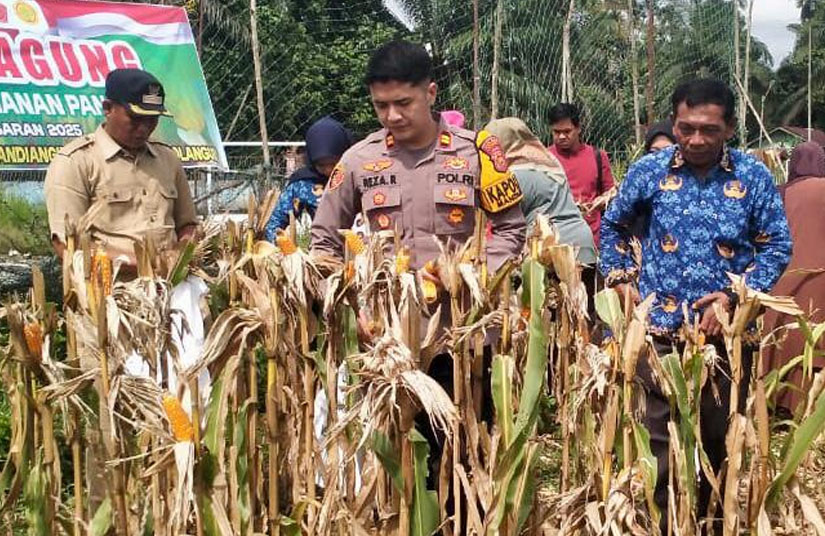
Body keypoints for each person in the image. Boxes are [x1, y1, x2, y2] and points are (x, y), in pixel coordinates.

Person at [600, 78, 792, 530]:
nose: (696, 140)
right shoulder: (649, 171)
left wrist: (735, 294)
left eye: (709, 130)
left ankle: (707, 521)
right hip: (659, 334)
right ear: (674, 122)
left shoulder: (753, 176)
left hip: (724, 340)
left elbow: (777, 245)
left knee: (715, 441)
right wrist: (622, 277)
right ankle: (662, 522)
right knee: (659, 442)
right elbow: (613, 227)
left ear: (729, 128)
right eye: (686, 128)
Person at [311, 39, 525, 276]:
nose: (392, 116)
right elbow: (323, 241)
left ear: (431, 93)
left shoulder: (478, 152)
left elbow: (511, 229)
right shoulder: (357, 160)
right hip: (385, 309)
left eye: (403, 103)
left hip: (462, 309)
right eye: (381, 106)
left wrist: (474, 274)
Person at [45, 68, 198, 265]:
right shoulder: (75, 162)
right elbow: (66, 244)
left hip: (171, 284)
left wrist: (182, 254)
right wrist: (142, 266)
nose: (144, 128)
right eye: (135, 118)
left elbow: (188, 225)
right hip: (110, 290)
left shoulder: (167, 159)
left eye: (152, 119)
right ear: (108, 108)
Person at [762, 141, 825, 415]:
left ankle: (780, 403)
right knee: (816, 338)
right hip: (821, 277)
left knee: (785, 339)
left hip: (785, 278)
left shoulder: (780, 193)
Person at [484, 117, 596, 265]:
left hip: (549, 252)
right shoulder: (550, 162)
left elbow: (503, 228)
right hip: (582, 242)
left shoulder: (511, 176)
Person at [265, 116, 353, 241]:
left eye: (334, 163)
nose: (328, 170)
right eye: (321, 165)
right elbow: (275, 223)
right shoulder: (303, 184)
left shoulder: (356, 176)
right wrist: (282, 250)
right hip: (321, 250)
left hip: (361, 252)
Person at [548, 102, 615, 247]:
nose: (561, 137)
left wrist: (595, 204)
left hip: (592, 240)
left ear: (578, 128)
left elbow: (611, 194)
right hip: (555, 243)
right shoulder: (545, 159)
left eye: (567, 131)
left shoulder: (598, 156)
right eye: (556, 132)